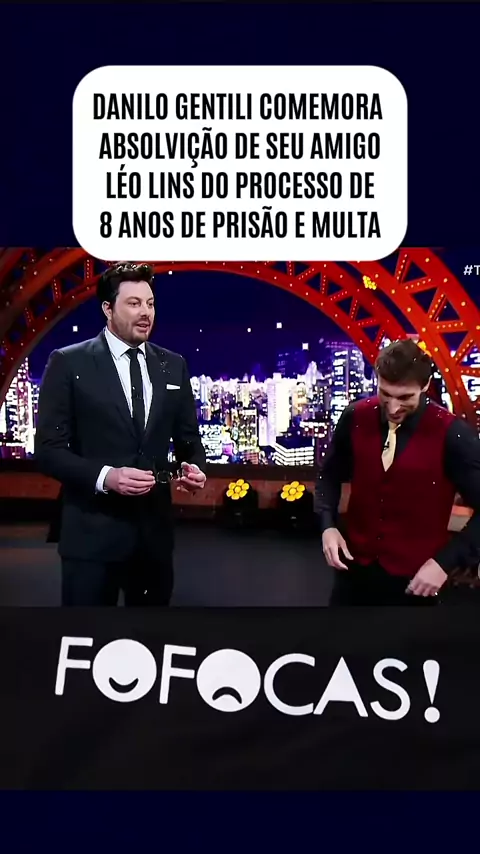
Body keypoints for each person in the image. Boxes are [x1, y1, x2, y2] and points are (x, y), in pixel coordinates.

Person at [34, 262, 206, 606]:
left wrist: (195, 467)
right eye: (134, 303)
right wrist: (106, 477)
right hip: (91, 538)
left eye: (150, 303)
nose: (146, 313)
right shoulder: (69, 362)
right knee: (87, 634)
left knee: (150, 636)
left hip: (153, 541)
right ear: (108, 309)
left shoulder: (173, 365)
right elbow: (49, 450)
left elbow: (189, 440)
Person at [315, 339, 480, 605]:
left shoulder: (453, 434)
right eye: (385, 394)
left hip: (417, 582)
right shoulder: (355, 416)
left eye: (405, 398)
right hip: (352, 573)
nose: (393, 408)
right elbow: (329, 474)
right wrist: (328, 526)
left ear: (425, 386)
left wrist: (444, 563)